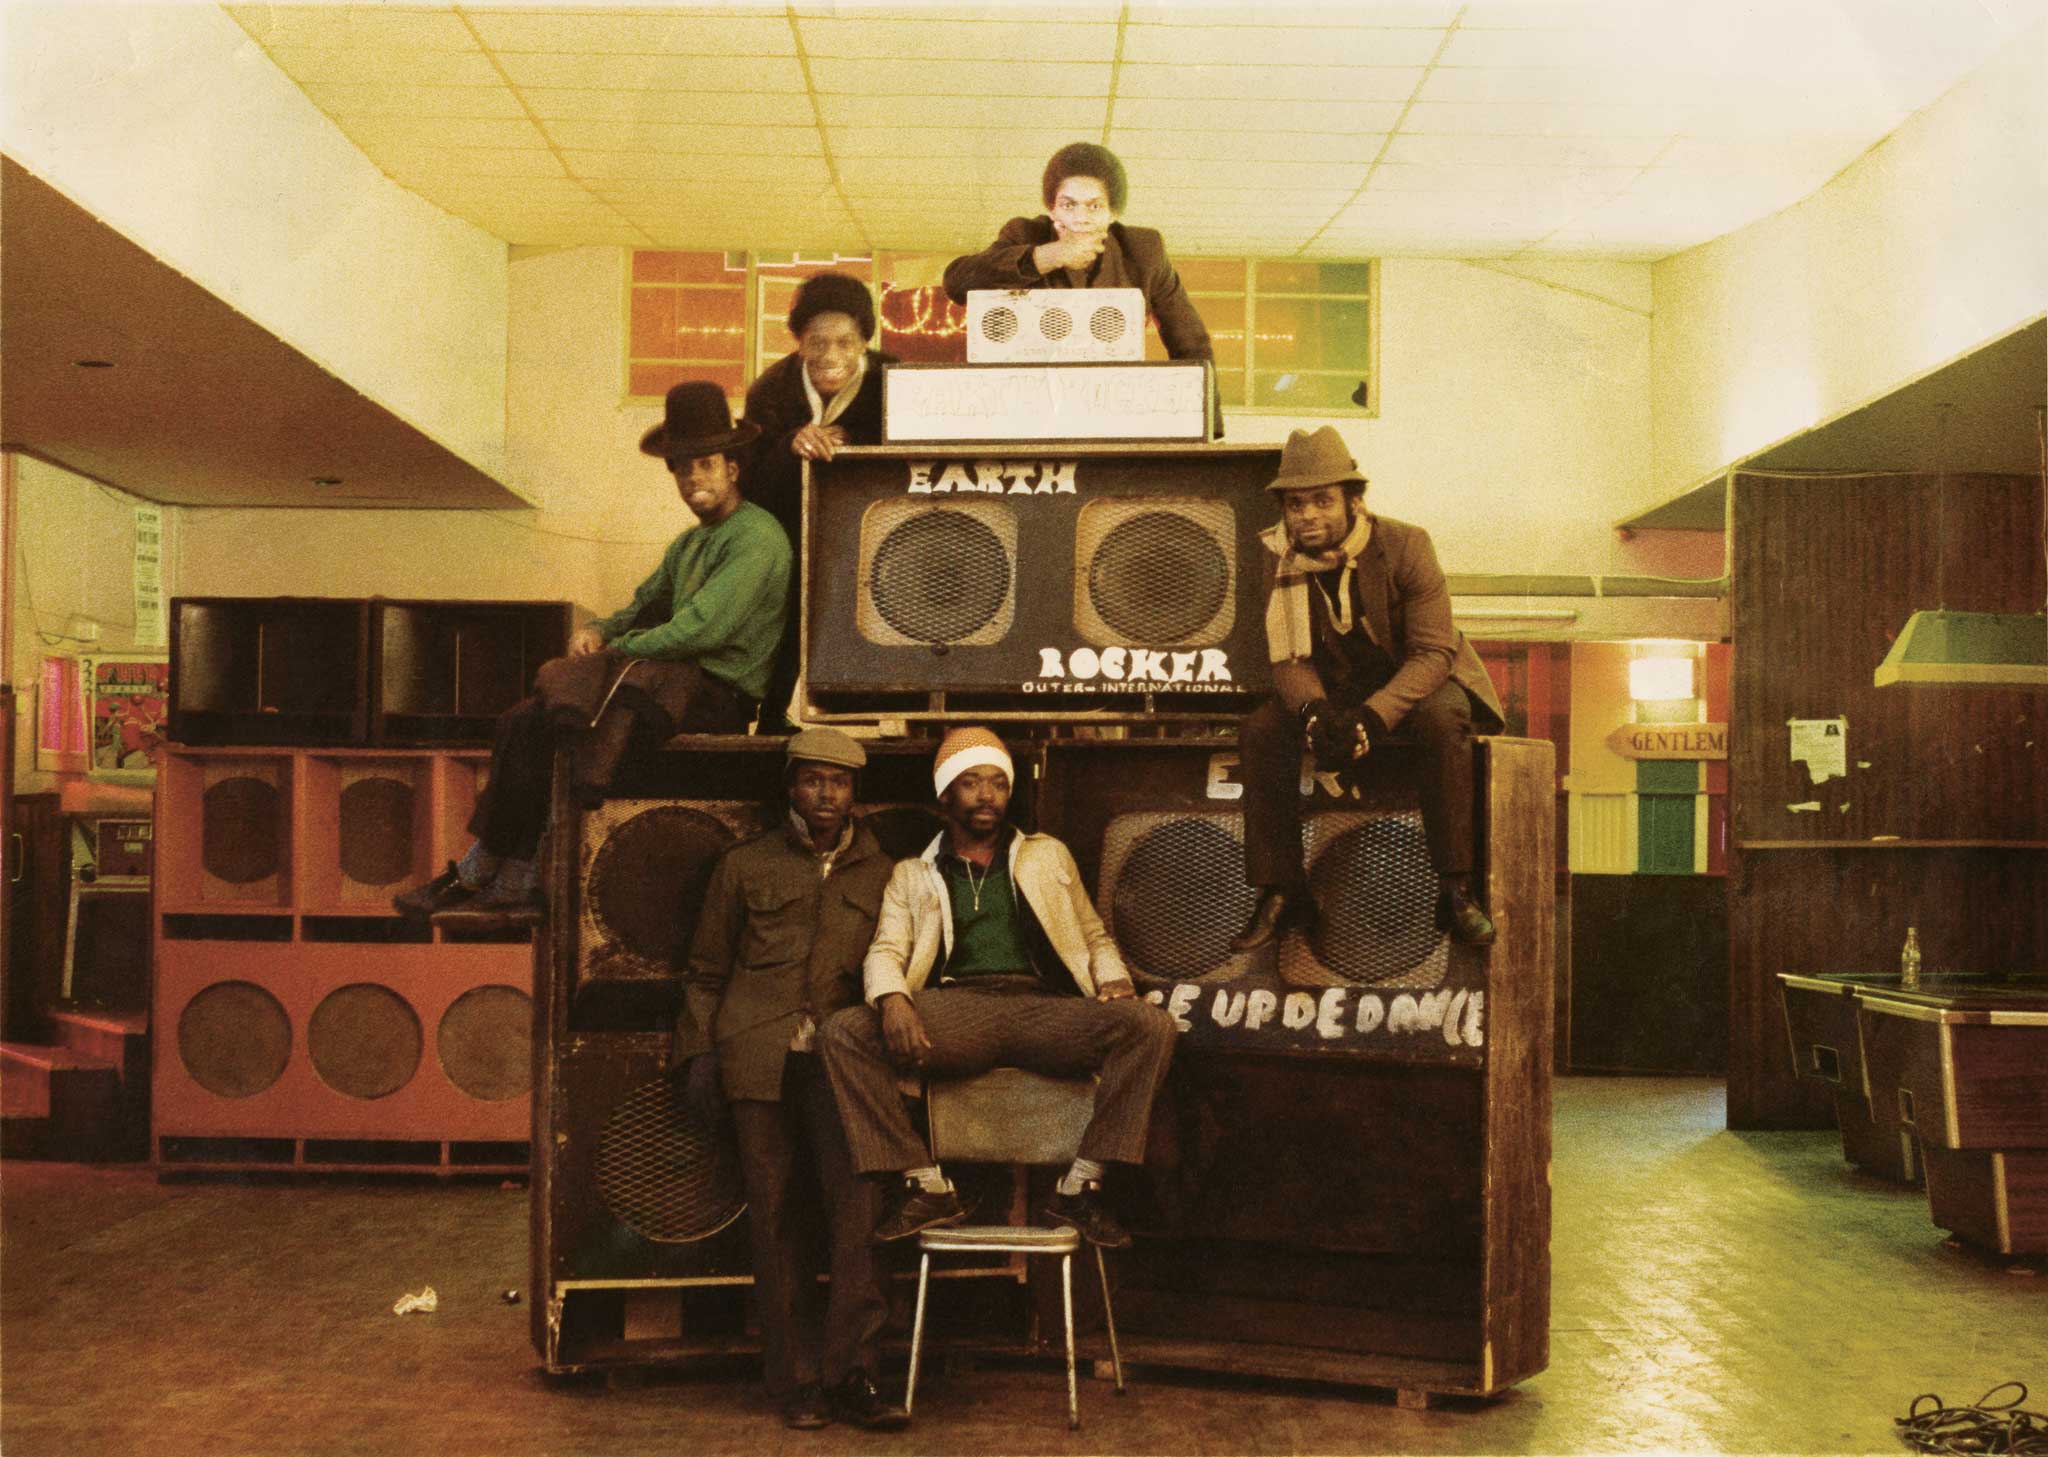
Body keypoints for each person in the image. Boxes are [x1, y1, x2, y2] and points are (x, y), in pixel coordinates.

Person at [393, 381, 790, 916]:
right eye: (681, 467)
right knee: (523, 720)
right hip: (663, 682)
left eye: (706, 464)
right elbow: (645, 603)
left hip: (716, 694)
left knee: (577, 720)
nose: (693, 477)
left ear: (732, 469)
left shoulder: (758, 537)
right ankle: (484, 868)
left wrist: (618, 649)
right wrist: (601, 630)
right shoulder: (689, 543)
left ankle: (523, 875)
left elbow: (703, 629)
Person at [818, 729, 1177, 1250]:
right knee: (844, 1032)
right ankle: (925, 1182)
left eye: (998, 783)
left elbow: (1093, 933)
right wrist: (892, 999)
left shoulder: (1046, 855)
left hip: (1044, 1009)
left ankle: (1081, 1184)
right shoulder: (912, 874)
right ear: (945, 795)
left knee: (1151, 1024)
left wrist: (1114, 978)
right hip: (958, 1012)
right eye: (971, 783)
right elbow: (886, 951)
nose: (987, 795)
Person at [677, 728, 909, 1432]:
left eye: (838, 783)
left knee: (858, 1216)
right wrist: (698, 1055)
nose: (826, 794)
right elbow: (706, 973)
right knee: (775, 1221)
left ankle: (856, 1375)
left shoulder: (887, 872)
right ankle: (798, 1382)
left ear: (854, 793)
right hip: (758, 1057)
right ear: (791, 786)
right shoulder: (743, 865)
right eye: (812, 780)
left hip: (848, 1066)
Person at [1229, 427, 1506, 953]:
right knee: (1263, 729)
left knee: (1442, 723)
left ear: (1354, 502)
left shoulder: (1406, 545)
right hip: (1332, 686)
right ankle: (1282, 889)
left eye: (1322, 501)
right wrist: (1316, 713)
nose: (1307, 516)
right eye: (1295, 504)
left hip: (1417, 680)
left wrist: (1372, 720)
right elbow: (1288, 656)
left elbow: (1432, 651)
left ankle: (1455, 889)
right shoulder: (1275, 555)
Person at [942, 141, 1221, 437]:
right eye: (1068, 205)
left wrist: (1205, 431)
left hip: (1110, 411)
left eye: (1094, 205)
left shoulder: (1144, 251)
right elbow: (957, 283)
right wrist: (1050, 255)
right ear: (1051, 208)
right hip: (1026, 411)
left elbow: (1191, 343)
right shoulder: (1024, 234)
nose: (1080, 217)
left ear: (1113, 212)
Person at [741, 272, 899, 732]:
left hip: (875, 531)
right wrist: (790, 444)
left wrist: (854, 441)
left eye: (845, 343)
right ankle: (771, 716)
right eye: (817, 343)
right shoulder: (769, 391)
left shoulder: (895, 378)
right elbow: (751, 484)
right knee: (785, 609)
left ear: (864, 343)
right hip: (792, 527)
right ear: (799, 343)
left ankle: (881, 716)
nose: (831, 357)